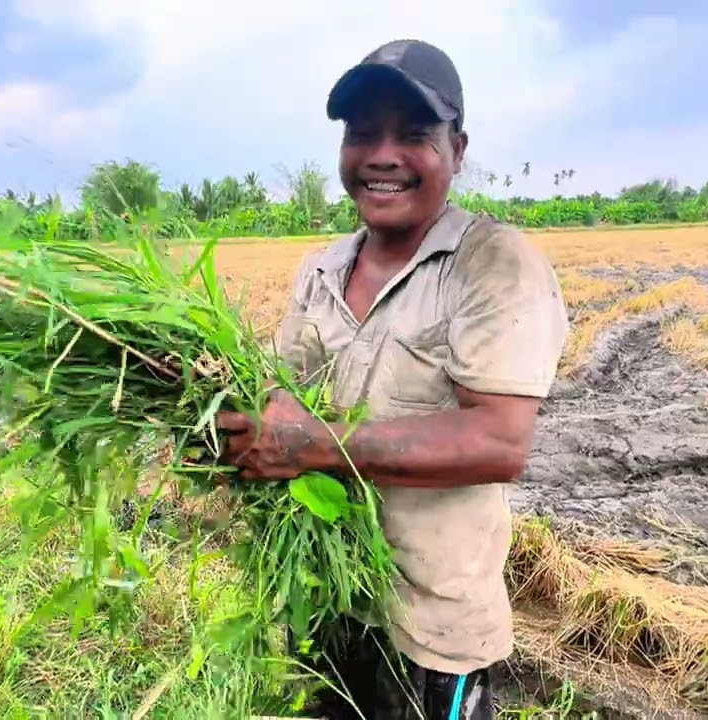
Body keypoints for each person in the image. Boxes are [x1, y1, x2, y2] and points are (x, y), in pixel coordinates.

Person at [216, 39, 569, 720]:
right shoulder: (322, 269)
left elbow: (500, 442)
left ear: (457, 151)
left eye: (413, 135)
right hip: (324, 596)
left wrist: (312, 445)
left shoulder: (492, 263)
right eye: (362, 133)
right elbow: (281, 397)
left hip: (431, 631)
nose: (382, 155)